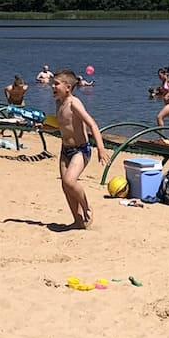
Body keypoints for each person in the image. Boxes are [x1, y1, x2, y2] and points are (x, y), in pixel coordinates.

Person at [51, 70, 107, 230]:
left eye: (56, 84)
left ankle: (86, 206)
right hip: (65, 150)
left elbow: (92, 124)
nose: (52, 87)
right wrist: (45, 127)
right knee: (65, 186)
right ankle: (78, 221)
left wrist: (101, 148)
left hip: (80, 150)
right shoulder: (58, 103)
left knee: (70, 181)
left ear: (68, 87)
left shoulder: (74, 103)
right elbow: (62, 125)